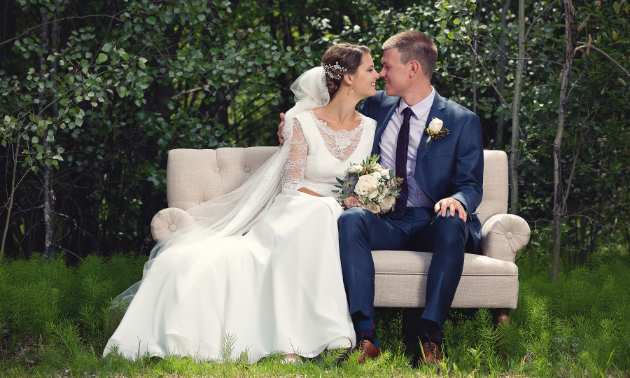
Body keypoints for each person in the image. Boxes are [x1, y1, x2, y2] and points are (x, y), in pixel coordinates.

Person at [103, 43, 380, 364]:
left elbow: (358, 178)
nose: (377, 75)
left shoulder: (369, 127)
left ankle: (315, 334)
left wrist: (356, 199)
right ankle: (291, 339)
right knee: (318, 213)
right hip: (298, 208)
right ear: (348, 78)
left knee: (325, 214)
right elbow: (291, 185)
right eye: (370, 69)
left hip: (338, 214)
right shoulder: (301, 122)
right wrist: (334, 203)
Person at [278, 31, 483, 364]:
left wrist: (457, 199)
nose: (380, 74)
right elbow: (331, 110)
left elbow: (471, 185)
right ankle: (366, 338)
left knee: (450, 221)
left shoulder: (461, 121)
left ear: (413, 69)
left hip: (433, 221)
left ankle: (429, 338)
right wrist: (290, 128)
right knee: (351, 218)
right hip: (388, 221)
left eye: (386, 67)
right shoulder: (377, 105)